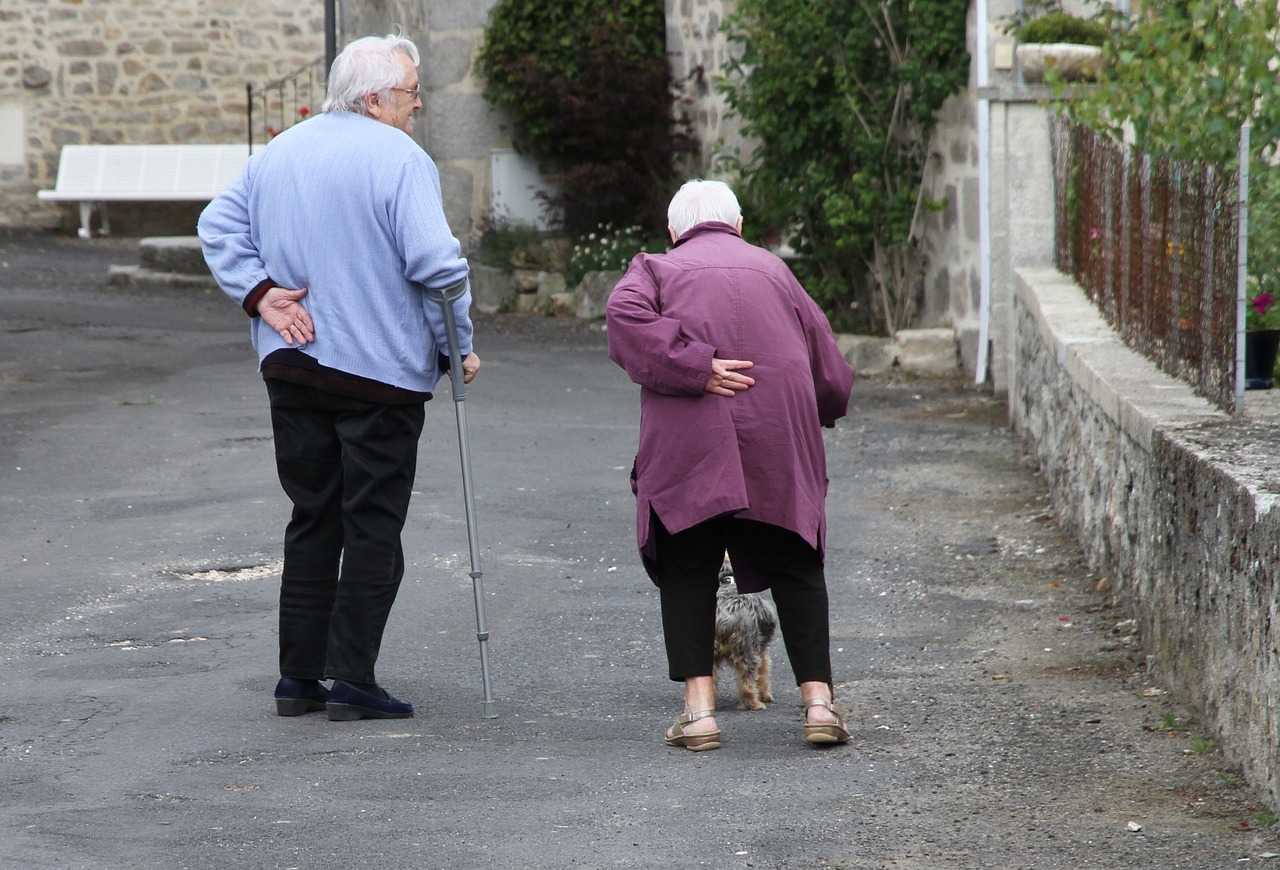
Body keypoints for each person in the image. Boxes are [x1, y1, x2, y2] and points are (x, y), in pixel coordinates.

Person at [198, 33, 479, 721]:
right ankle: (353, 678)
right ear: (377, 97)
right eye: (412, 94)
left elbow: (216, 225)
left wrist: (261, 293)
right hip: (378, 372)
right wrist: (457, 347)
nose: (416, 106)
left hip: (291, 363)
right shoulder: (401, 158)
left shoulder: (283, 149)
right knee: (373, 526)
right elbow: (438, 267)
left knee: (313, 516)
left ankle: (299, 678)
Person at [606, 180, 855, 750]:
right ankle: (819, 705)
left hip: (691, 438)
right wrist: (824, 407)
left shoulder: (655, 269)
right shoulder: (774, 270)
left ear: (675, 230)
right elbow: (830, 368)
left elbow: (623, 317)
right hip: (777, 436)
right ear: (738, 224)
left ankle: (699, 714)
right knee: (795, 560)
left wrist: (693, 365)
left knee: (689, 562)